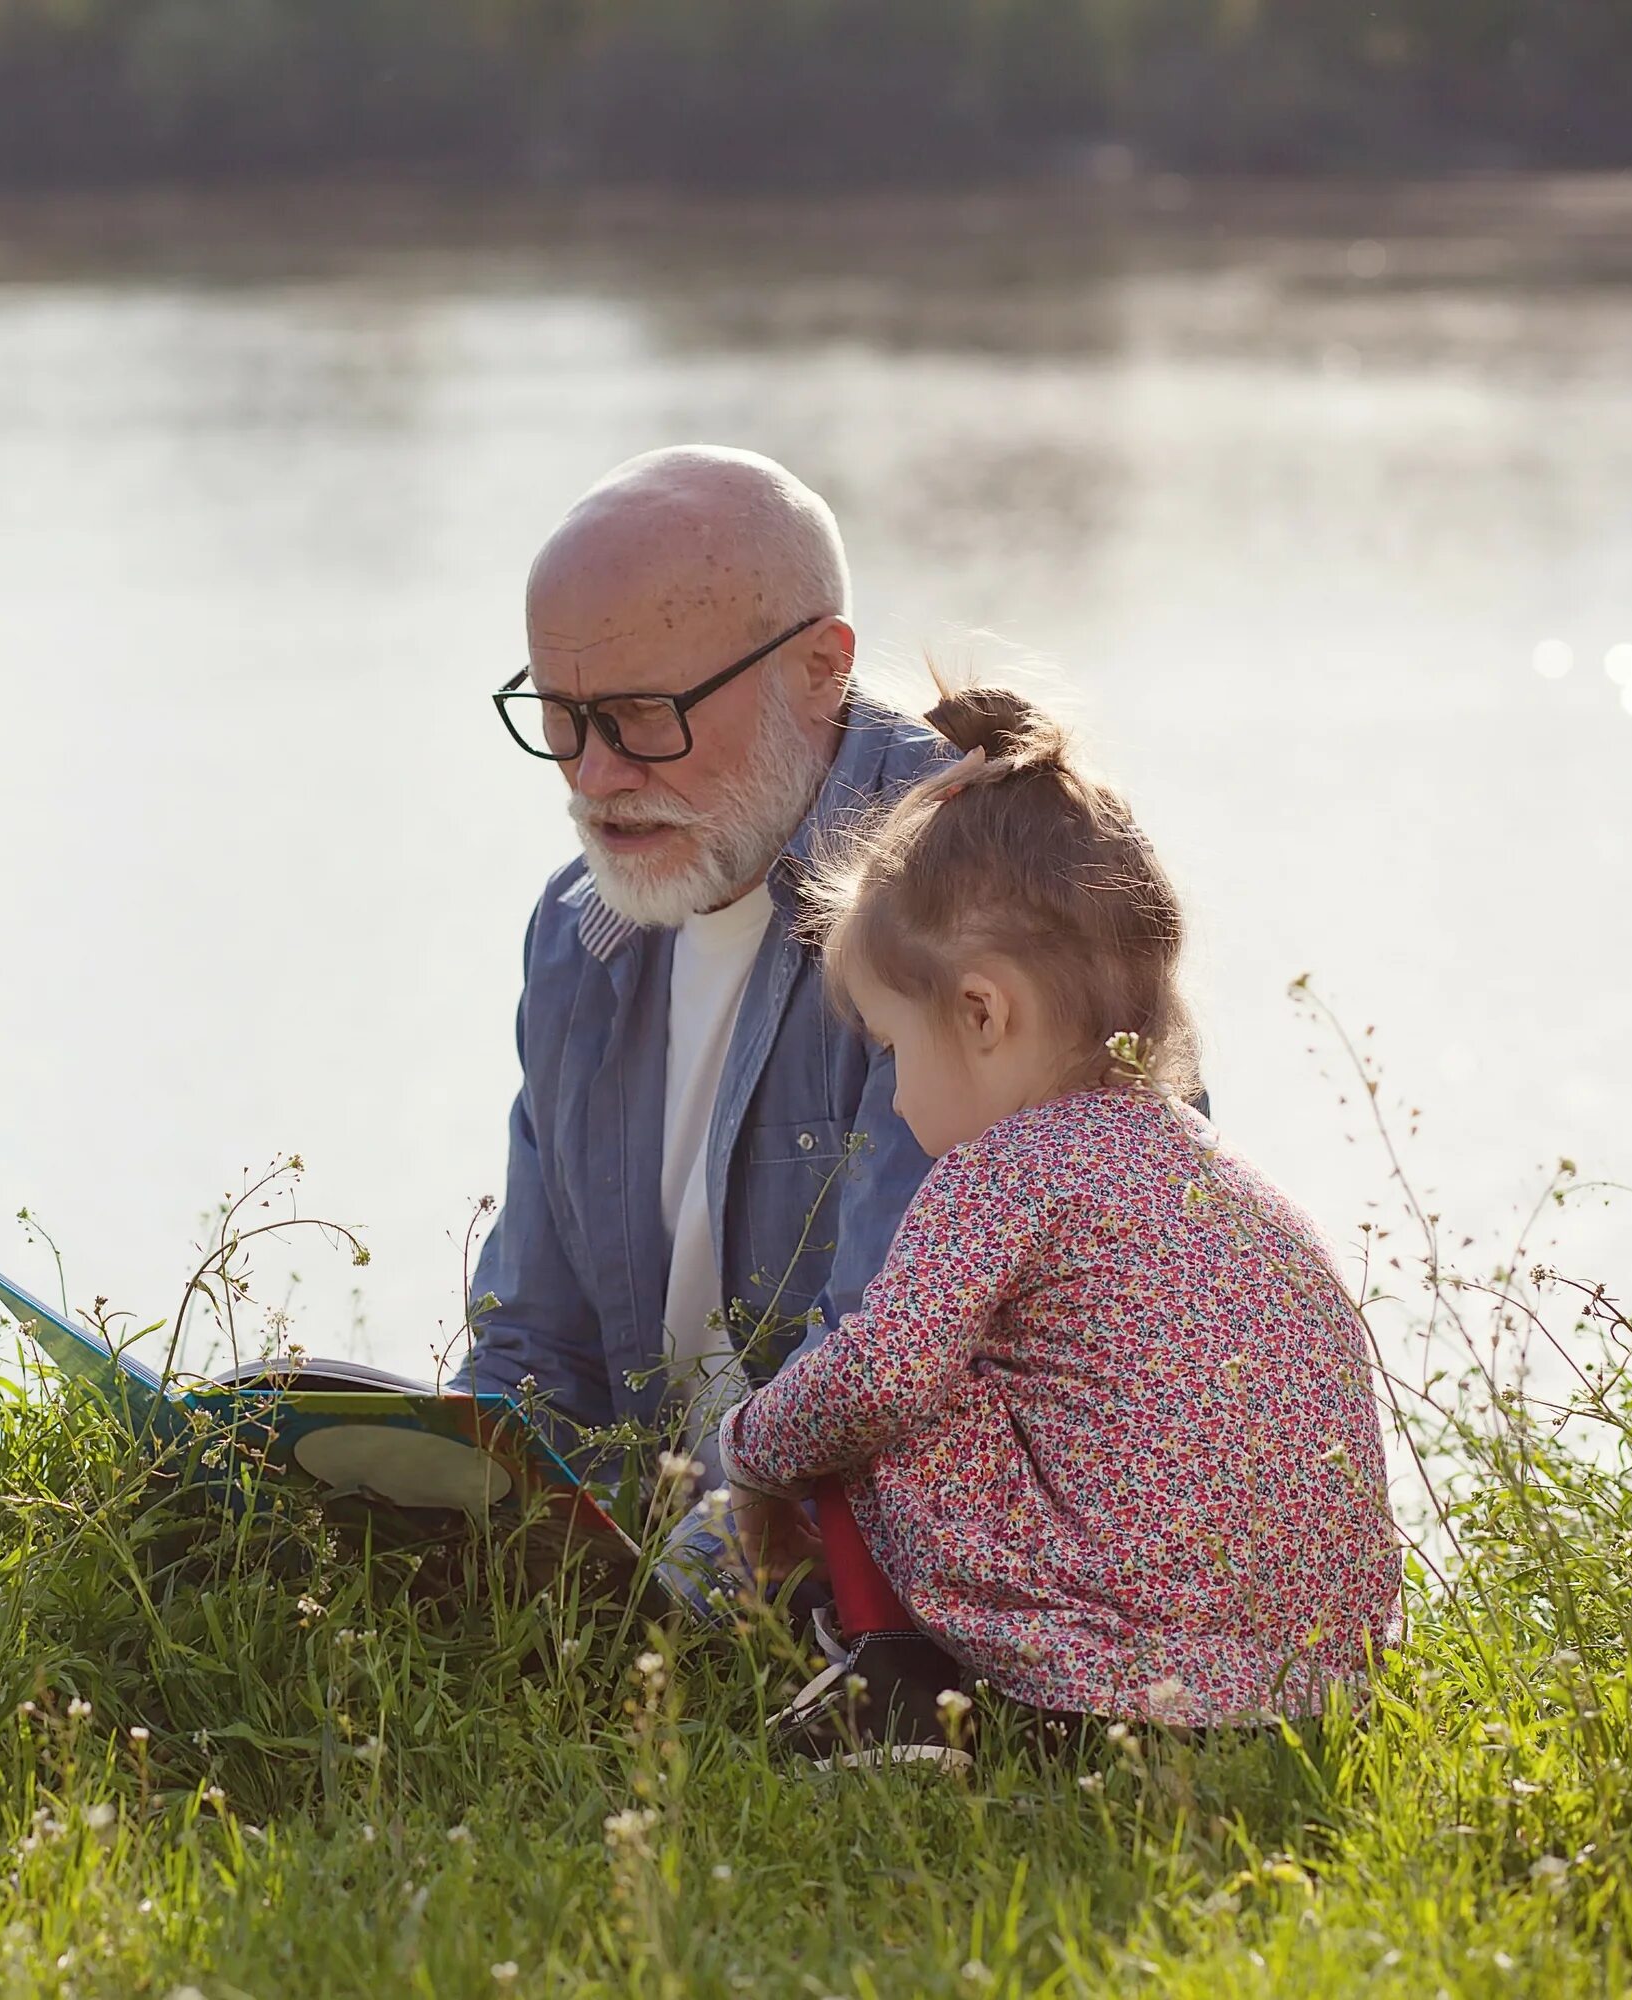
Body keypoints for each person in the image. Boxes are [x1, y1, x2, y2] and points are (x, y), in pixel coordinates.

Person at [706, 684, 1404, 1768]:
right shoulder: (1222, 1174)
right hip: (1323, 1673)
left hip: (1124, 1671)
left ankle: (900, 1682)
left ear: (983, 1012)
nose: (889, 1097)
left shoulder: (1002, 1168)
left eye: (891, 1048)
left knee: (865, 1379)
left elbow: (880, 1376)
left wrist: (747, 1455)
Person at [454, 446, 946, 1538]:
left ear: (822, 664)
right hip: (678, 1579)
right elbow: (535, 1355)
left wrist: (676, 1594)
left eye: (641, 714)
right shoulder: (581, 930)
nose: (594, 775)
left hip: (884, 1608)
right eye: (561, 715)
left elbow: (894, 1385)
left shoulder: (977, 905)